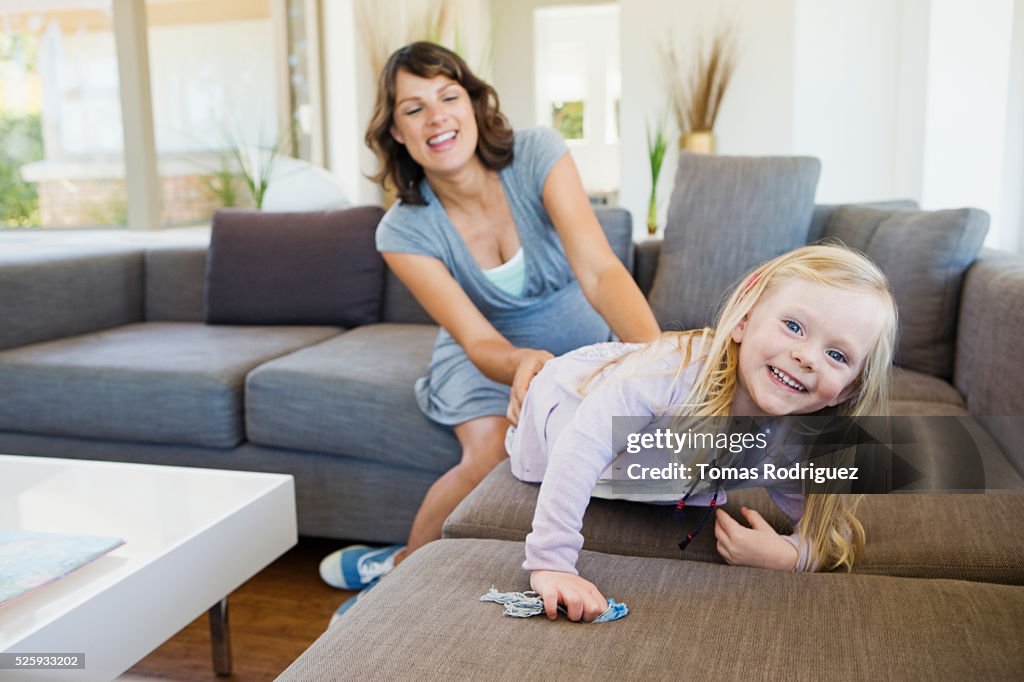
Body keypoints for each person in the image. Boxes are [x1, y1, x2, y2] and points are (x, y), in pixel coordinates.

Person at [319, 41, 660, 611]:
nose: (436, 116)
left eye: (448, 96)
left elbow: (601, 273)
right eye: (414, 108)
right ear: (397, 133)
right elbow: (476, 337)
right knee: (487, 456)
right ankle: (396, 574)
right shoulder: (401, 231)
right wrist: (522, 361)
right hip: (485, 355)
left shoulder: (537, 154)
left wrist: (657, 358)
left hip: (580, 345)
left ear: (475, 105)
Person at [507, 244, 898, 622]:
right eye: (793, 326)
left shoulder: (789, 443)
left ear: (847, 390)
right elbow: (581, 445)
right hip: (567, 401)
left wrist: (791, 556)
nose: (807, 357)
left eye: (837, 356)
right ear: (744, 319)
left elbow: (831, 530)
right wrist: (553, 563)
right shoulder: (672, 373)